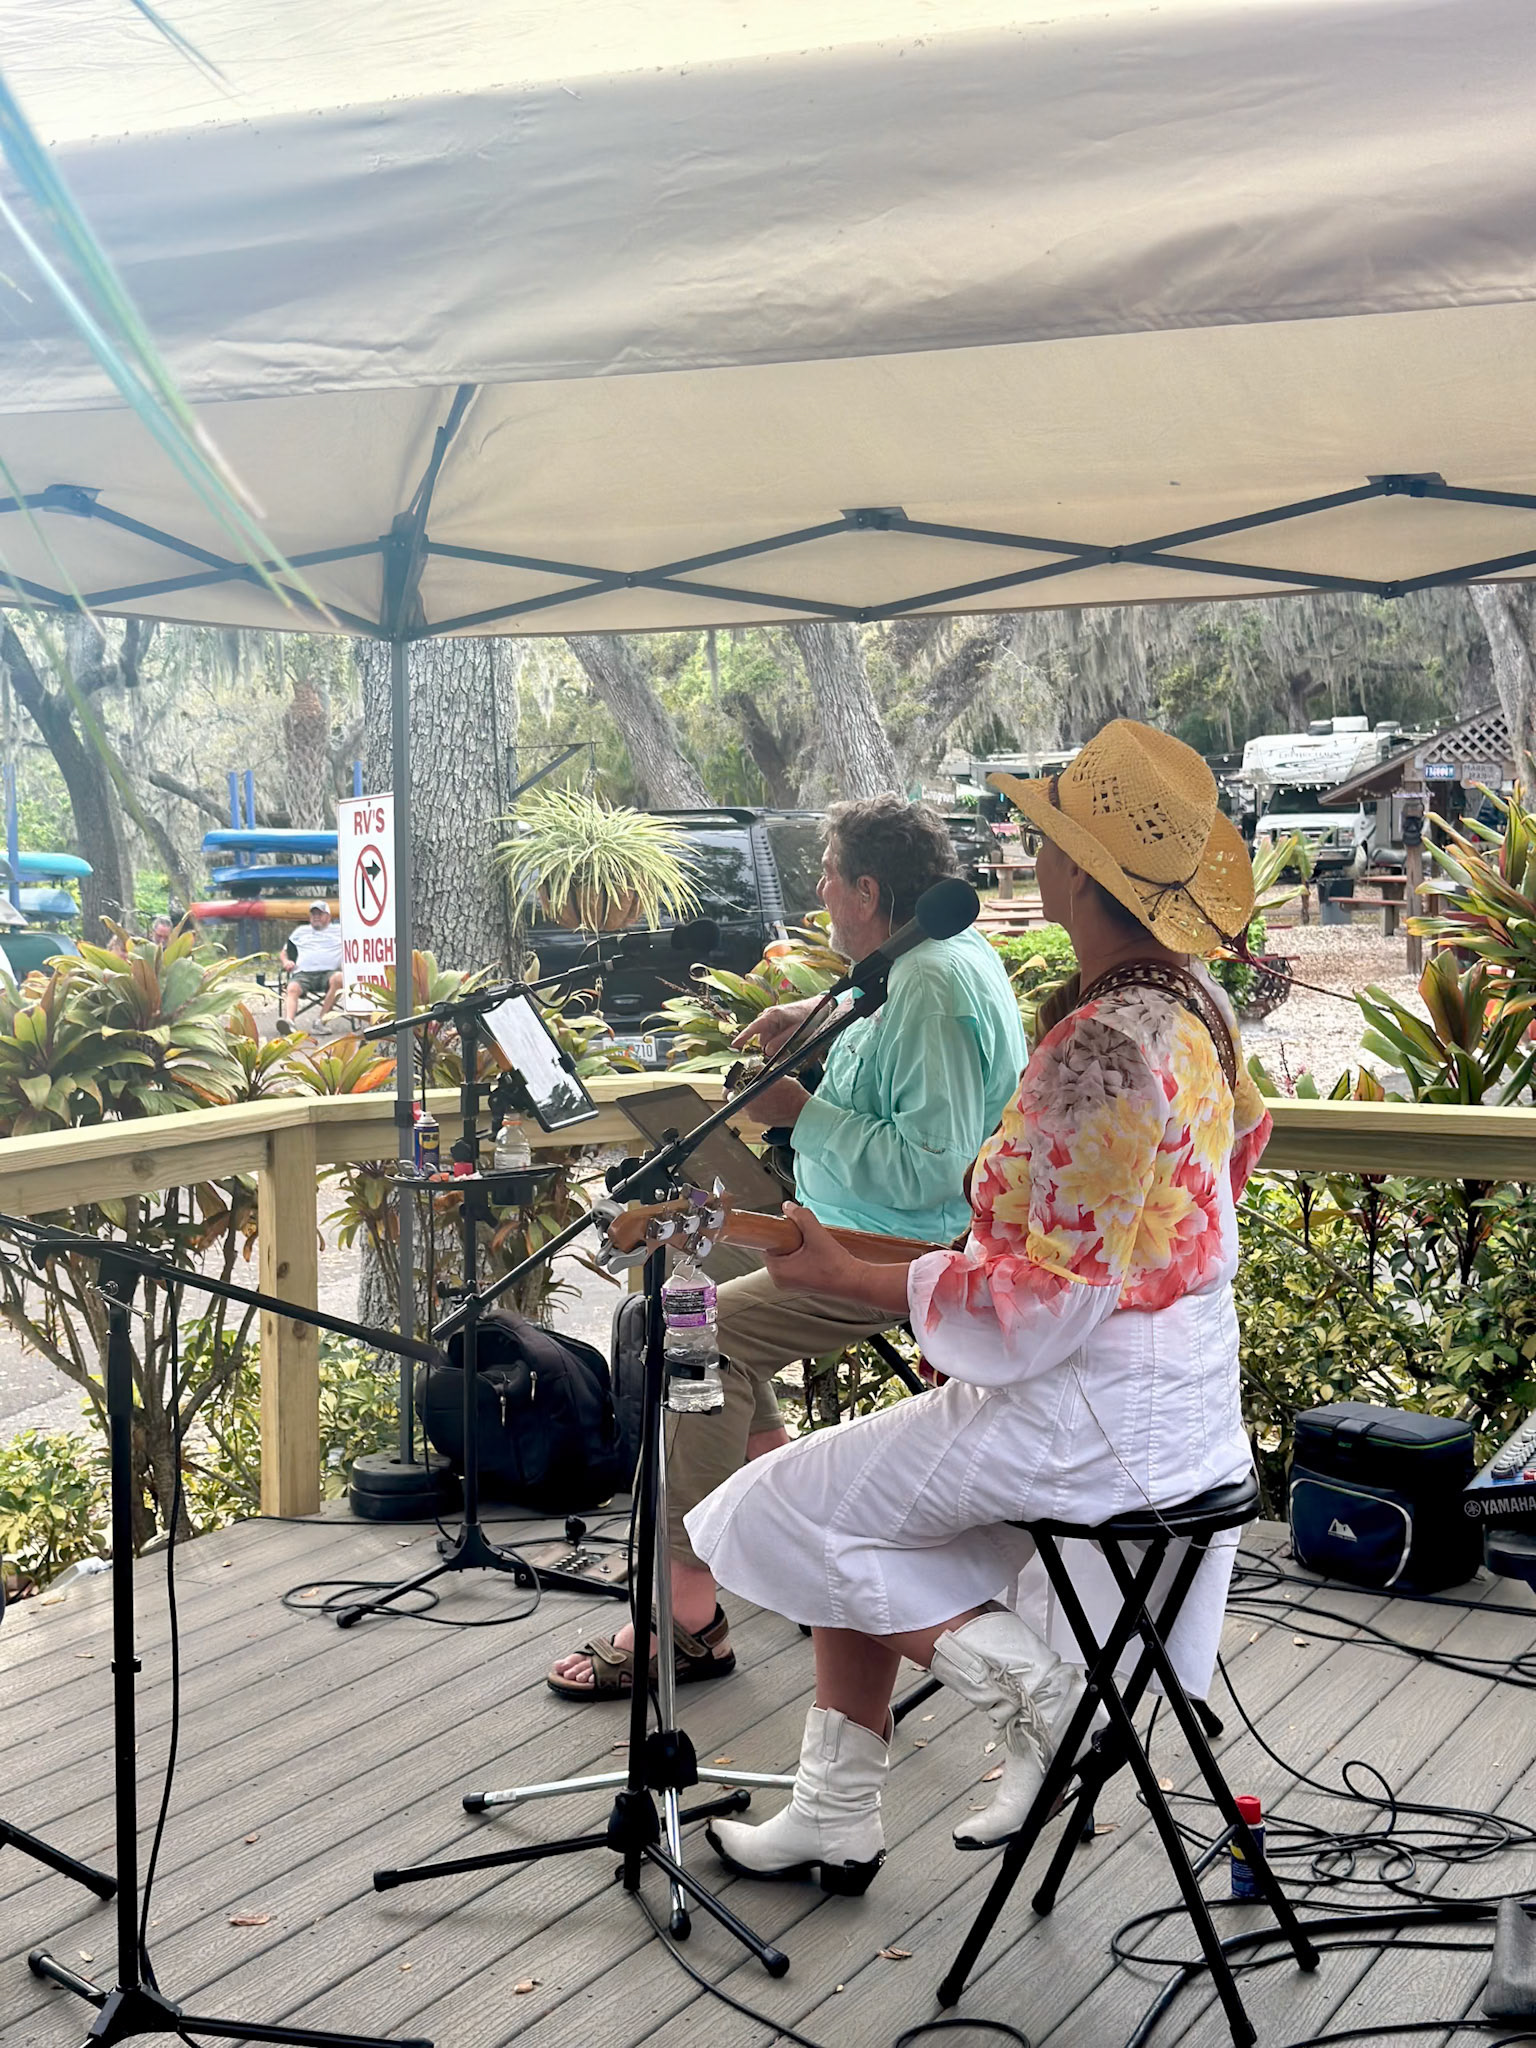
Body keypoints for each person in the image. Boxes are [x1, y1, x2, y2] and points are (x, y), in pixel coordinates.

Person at [684, 720, 1271, 1893]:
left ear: (1077, 870)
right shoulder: (1193, 1003)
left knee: (769, 1512)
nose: (1031, 853)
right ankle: (834, 1810)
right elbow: (1237, 1154)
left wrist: (856, 1277)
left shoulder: (1103, 1046)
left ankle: (1040, 1697)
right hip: (1186, 1411)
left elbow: (1041, 1307)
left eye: (1046, 836)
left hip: (1083, 1421)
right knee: (850, 1504)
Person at [548, 795, 1027, 1701]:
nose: (819, 893)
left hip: (897, 1245)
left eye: (829, 877)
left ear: (868, 891)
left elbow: (934, 1170)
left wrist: (801, 1113)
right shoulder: (915, 958)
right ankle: (771, 1514)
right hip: (828, 1217)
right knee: (682, 1277)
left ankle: (687, 1613)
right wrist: (819, 1009)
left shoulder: (933, 984)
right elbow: (882, 1009)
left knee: (699, 1335)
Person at [277, 900, 343, 1030]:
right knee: (292, 987)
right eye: (313, 914)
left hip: (329, 973)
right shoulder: (301, 931)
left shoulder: (340, 930)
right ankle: (289, 1023)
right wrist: (286, 962)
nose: (316, 917)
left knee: (339, 978)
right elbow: (284, 952)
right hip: (303, 973)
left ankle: (321, 1022)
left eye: (320, 914)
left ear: (328, 916)